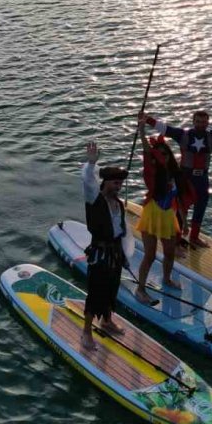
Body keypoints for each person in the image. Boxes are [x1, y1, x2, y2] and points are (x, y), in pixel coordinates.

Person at [142, 108, 212, 247]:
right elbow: (166, 129)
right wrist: (147, 119)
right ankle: (176, 239)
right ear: (193, 121)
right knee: (181, 206)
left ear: (208, 123)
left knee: (201, 206)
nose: (200, 124)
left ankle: (194, 237)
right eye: (198, 121)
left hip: (202, 177)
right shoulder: (183, 135)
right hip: (185, 177)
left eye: (203, 122)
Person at [133, 121, 192, 304]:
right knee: (150, 255)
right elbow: (146, 151)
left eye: (166, 154)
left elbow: (179, 200)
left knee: (169, 252)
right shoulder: (152, 173)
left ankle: (167, 278)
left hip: (168, 215)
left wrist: (185, 221)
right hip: (152, 214)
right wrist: (142, 131)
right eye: (159, 154)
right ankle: (140, 289)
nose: (163, 157)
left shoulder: (175, 174)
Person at [80, 141, 128, 349]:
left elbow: (120, 232)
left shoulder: (118, 204)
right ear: (105, 183)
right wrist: (91, 164)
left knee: (112, 288)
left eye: (119, 184)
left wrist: (124, 255)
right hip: (99, 253)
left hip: (115, 252)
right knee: (96, 291)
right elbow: (88, 181)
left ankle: (107, 320)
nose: (117, 187)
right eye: (114, 183)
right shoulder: (94, 199)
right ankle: (86, 332)